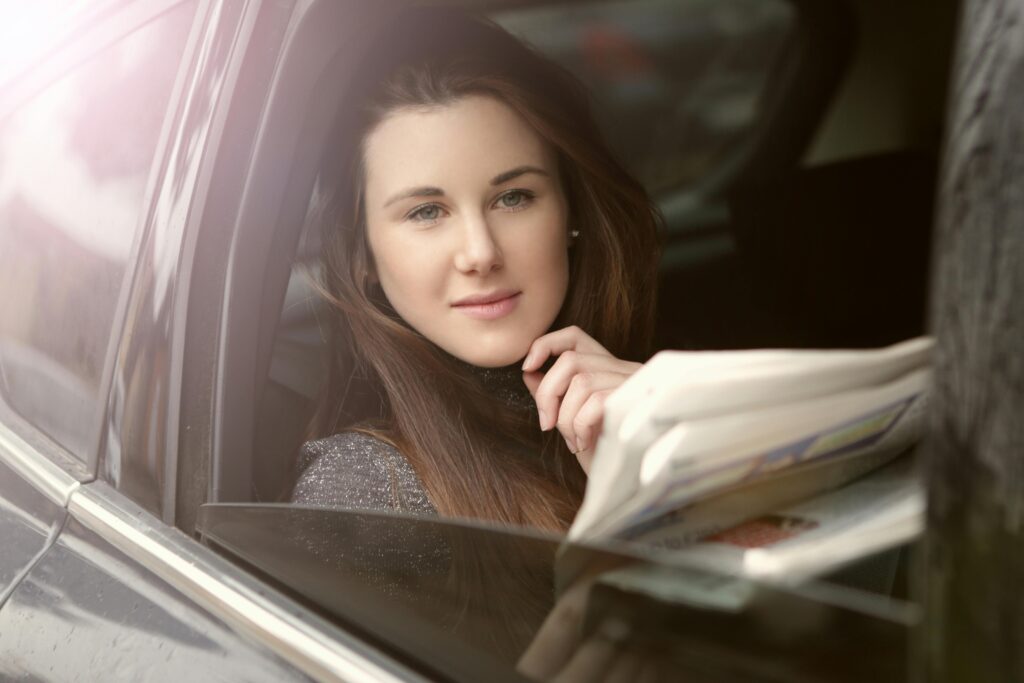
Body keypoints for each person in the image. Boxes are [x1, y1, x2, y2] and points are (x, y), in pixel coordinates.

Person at [291, 7, 661, 532]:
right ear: (364, 257)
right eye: (426, 212)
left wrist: (665, 447)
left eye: (513, 197)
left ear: (571, 212)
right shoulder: (366, 491)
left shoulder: (653, 389)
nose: (480, 253)